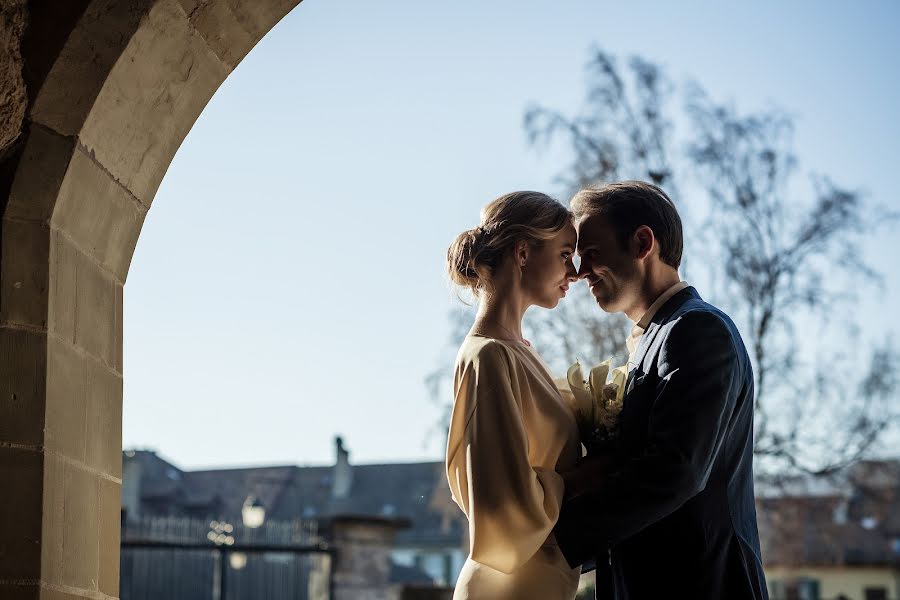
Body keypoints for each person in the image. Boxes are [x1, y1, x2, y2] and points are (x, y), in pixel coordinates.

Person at [554, 181, 769, 599]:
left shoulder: (698, 329)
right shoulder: (659, 336)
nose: (579, 273)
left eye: (591, 254)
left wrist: (552, 539)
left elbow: (675, 470)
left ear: (641, 242)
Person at [445, 191, 582, 600]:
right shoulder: (487, 357)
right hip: (509, 587)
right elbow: (502, 512)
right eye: (565, 254)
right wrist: (582, 479)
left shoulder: (520, 353)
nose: (574, 272)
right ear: (523, 253)